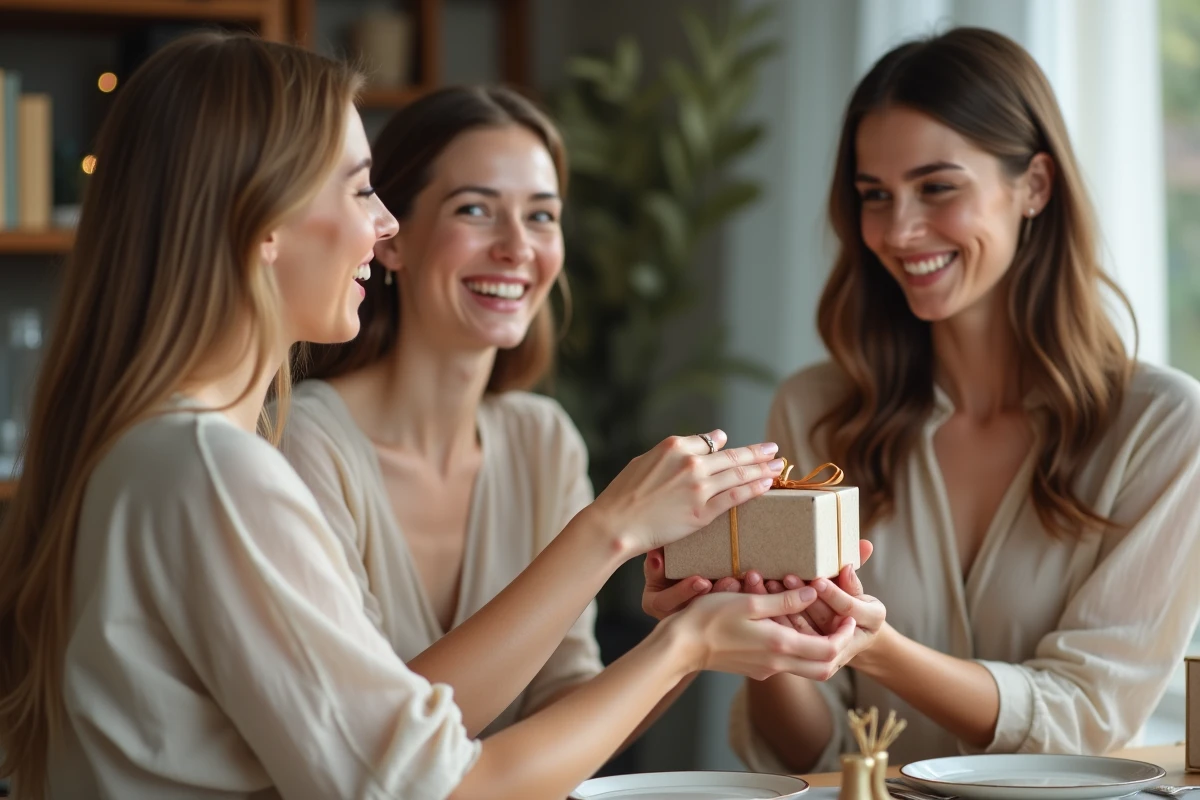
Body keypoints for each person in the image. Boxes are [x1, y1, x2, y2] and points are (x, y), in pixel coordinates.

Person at [0, 32, 860, 799]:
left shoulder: (162, 455)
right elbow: (423, 785)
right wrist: (670, 623)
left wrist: (689, 629)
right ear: (258, 222)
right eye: (360, 190)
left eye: (543, 215)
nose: (381, 226)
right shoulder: (216, 471)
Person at [729, 26, 1200, 774]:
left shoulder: (1165, 428)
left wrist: (875, 648)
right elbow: (807, 753)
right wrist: (756, 631)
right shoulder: (816, 410)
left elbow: (1084, 719)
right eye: (873, 196)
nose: (898, 230)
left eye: (937, 187)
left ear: (1035, 186)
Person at [280, 86, 740, 747]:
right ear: (390, 237)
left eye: (542, 217)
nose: (517, 247)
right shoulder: (303, 445)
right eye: (475, 210)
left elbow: (567, 705)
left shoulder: (542, 439)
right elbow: (371, 747)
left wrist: (698, 626)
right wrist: (608, 530)